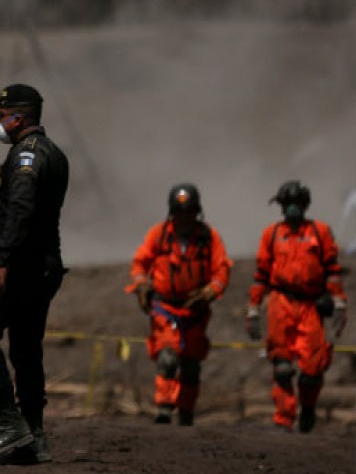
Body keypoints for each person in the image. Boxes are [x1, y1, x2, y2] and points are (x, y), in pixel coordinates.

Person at [0, 83, 68, 465]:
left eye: (2, 114)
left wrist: (2, 260)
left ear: (18, 117)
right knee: (26, 350)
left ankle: (10, 422)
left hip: (22, 264)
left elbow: (21, 209)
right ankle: (34, 434)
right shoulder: (54, 152)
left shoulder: (25, 157)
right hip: (46, 264)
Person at [245, 180, 347, 433]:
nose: (293, 208)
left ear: (305, 205)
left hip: (310, 306)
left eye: (297, 203)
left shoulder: (320, 232)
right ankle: (283, 418)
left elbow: (332, 271)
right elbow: (261, 275)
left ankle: (308, 408)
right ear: (281, 206)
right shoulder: (271, 235)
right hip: (280, 303)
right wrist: (253, 309)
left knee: (312, 369)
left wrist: (339, 303)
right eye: (288, 203)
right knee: (281, 366)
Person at [126, 183, 231, 426]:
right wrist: (141, 285)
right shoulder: (159, 234)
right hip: (165, 309)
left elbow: (222, 270)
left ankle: (186, 414)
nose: (185, 217)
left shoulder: (208, 237)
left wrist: (210, 291)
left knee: (191, 366)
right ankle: (164, 407)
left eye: (189, 211)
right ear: (172, 212)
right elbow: (140, 263)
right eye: (180, 211)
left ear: (197, 211)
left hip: (195, 310)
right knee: (167, 357)